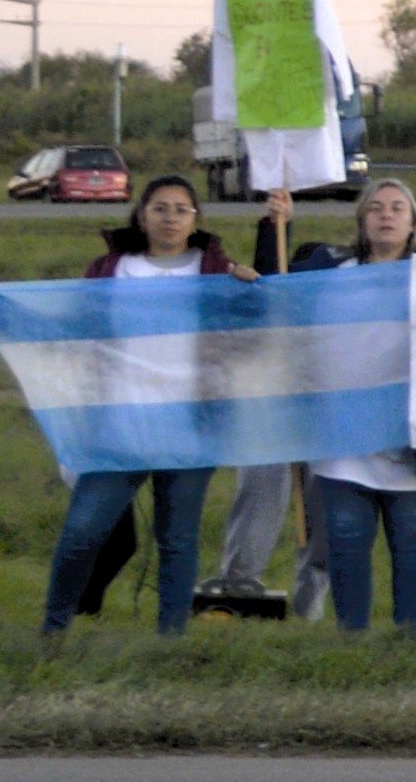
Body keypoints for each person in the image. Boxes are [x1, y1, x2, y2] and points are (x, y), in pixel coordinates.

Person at [15, 175, 253, 636]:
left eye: (180, 209)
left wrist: (253, 287)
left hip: (190, 425)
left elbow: (255, 331)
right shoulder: (111, 268)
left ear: (195, 220)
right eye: (159, 208)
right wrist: (5, 306)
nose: (170, 217)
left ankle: (171, 639)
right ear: (141, 216)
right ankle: (52, 629)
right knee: (83, 530)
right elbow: (72, 322)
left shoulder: (215, 273)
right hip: (119, 424)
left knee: (178, 540)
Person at [268, 181, 416, 634]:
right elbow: (274, 284)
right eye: (375, 208)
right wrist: (276, 222)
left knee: (412, 545)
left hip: (414, 438)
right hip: (344, 439)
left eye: (397, 208)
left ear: (413, 223)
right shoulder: (330, 269)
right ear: (361, 221)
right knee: (347, 542)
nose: (386, 215)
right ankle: (351, 638)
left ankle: (411, 638)